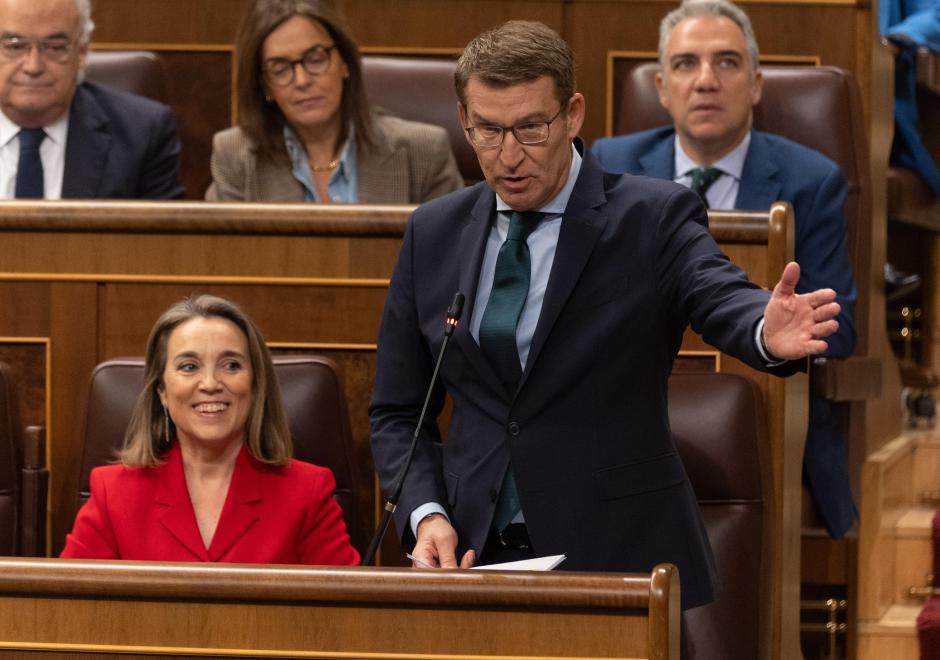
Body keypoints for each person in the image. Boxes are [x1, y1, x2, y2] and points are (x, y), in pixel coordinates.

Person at [369, 20, 840, 611]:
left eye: (531, 128)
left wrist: (761, 330)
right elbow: (398, 412)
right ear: (464, 120)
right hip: (470, 554)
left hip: (618, 554)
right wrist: (426, 513)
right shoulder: (433, 231)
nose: (508, 155)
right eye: (488, 130)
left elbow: (716, 292)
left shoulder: (651, 216)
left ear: (572, 114)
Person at [590, 0, 858, 538]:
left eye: (727, 63)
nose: (706, 81)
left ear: (756, 84)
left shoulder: (812, 180)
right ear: (662, 88)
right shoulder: (607, 165)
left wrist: (793, 318)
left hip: (765, 415)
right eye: (687, 64)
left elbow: (842, 327)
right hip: (624, 412)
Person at [61, 294, 360, 565]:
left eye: (231, 365)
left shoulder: (307, 492)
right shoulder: (113, 493)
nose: (211, 383)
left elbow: (347, 614)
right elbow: (67, 608)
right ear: (162, 391)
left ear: (255, 386)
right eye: (189, 367)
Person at [206, 0, 463, 203]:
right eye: (280, 68)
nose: (302, 80)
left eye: (315, 59)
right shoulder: (235, 156)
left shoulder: (423, 152)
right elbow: (223, 259)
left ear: (344, 64)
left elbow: (453, 259)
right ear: (265, 86)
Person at [0, 0, 183, 199]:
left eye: (54, 47)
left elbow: (163, 228)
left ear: (81, 54)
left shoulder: (143, 135)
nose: (33, 67)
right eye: (14, 46)